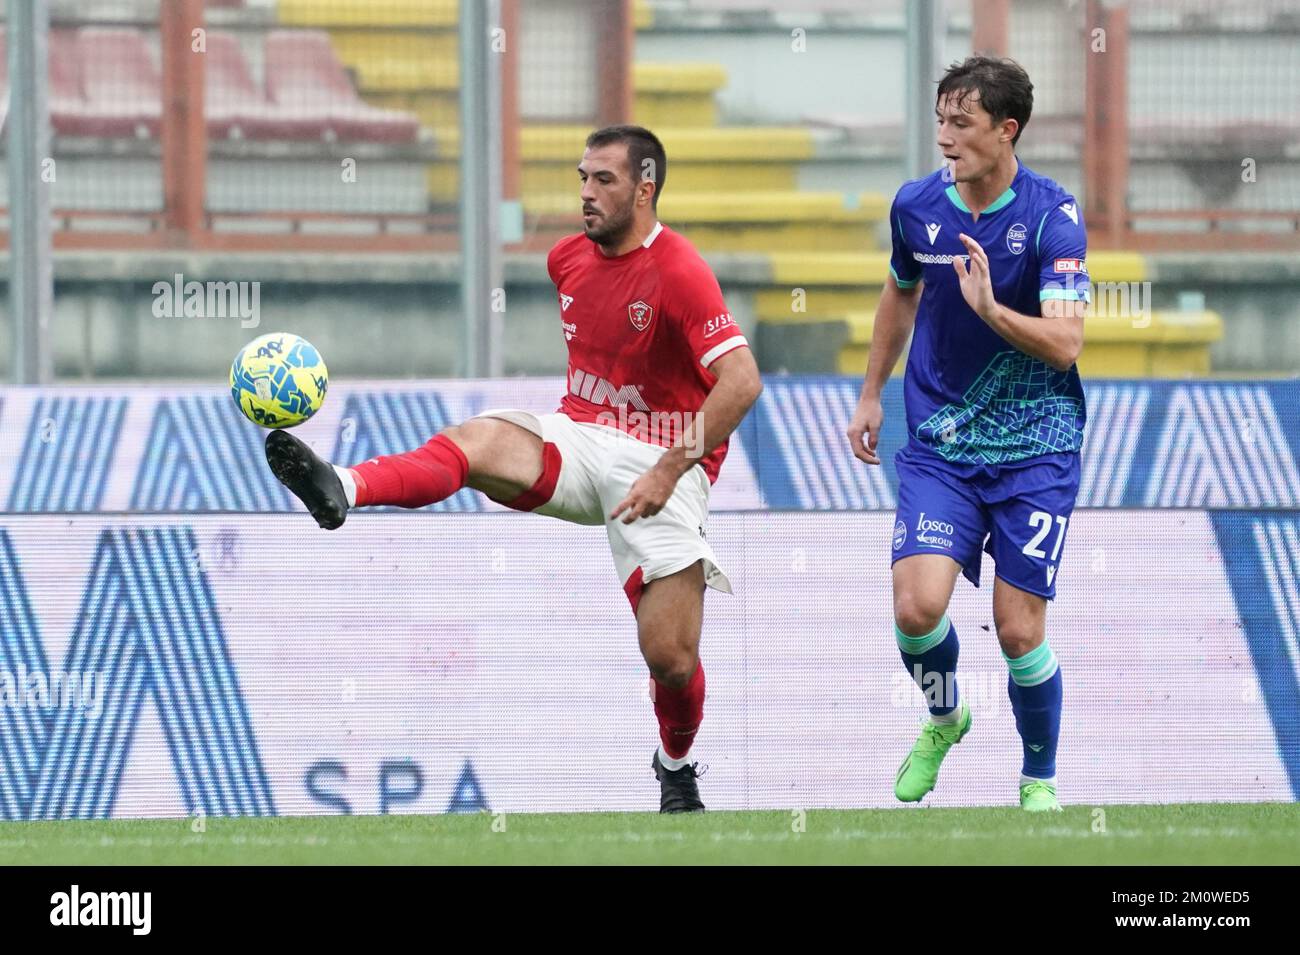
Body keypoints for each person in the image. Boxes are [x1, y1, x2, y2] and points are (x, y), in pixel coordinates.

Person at [265, 124, 762, 814]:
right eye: (582, 177)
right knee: (476, 442)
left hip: (664, 463)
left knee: (670, 659)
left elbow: (741, 381)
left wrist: (672, 468)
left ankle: (675, 766)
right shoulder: (569, 261)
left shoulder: (678, 270)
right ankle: (342, 486)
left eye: (604, 180)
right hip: (580, 440)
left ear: (645, 189)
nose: (586, 193)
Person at [847, 56, 1090, 812]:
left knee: (1019, 631)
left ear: (1006, 129)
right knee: (916, 608)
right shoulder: (917, 207)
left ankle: (1038, 781)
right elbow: (901, 288)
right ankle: (947, 717)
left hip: (1036, 447)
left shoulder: (1054, 217)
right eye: (940, 121)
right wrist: (870, 395)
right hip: (943, 445)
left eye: (963, 123)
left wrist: (990, 310)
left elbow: (1065, 343)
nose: (946, 139)